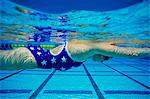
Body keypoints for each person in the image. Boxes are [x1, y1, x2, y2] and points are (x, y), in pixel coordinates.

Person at [0, 39, 150, 71]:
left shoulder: (88, 49)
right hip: (27, 58)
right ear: (103, 53)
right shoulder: (89, 48)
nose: (101, 60)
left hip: (30, 57)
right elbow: (132, 53)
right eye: (105, 57)